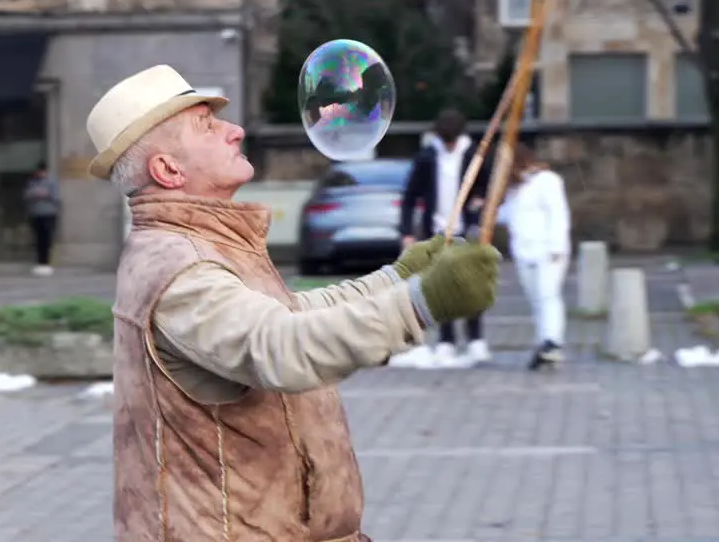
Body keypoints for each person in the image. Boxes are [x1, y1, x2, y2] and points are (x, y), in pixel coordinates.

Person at [87, 64, 501, 541]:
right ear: (167, 169)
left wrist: (399, 277)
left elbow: (292, 315)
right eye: (207, 124)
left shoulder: (200, 245)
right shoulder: (178, 268)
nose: (235, 130)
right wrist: (423, 302)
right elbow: (282, 346)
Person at [399, 108, 492, 363]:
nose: (449, 146)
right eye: (445, 142)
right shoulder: (428, 157)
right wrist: (407, 231)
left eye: (452, 142)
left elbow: (489, 187)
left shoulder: (474, 156)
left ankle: (475, 339)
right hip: (438, 233)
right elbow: (410, 196)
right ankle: (447, 340)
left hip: (468, 231)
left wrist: (480, 203)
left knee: (472, 286)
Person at [497, 142, 572, 370]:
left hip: (548, 250)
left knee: (548, 295)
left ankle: (552, 341)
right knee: (536, 299)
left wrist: (557, 247)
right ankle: (544, 343)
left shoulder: (548, 181)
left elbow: (558, 214)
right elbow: (508, 215)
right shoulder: (515, 188)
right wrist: (488, 211)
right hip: (524, 250)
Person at [22, 162, 60, 276]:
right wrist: (34, 194)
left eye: (42, 172)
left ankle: (47, 263)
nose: (40, 174)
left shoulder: (52, 182)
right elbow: (26, 196)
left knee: (47, 239)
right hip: (36, 214)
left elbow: (56, 197)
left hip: (49, 214)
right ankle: (39, 263)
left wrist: (46, 194)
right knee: (38, 240)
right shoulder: (32, 183)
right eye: (39, 172)